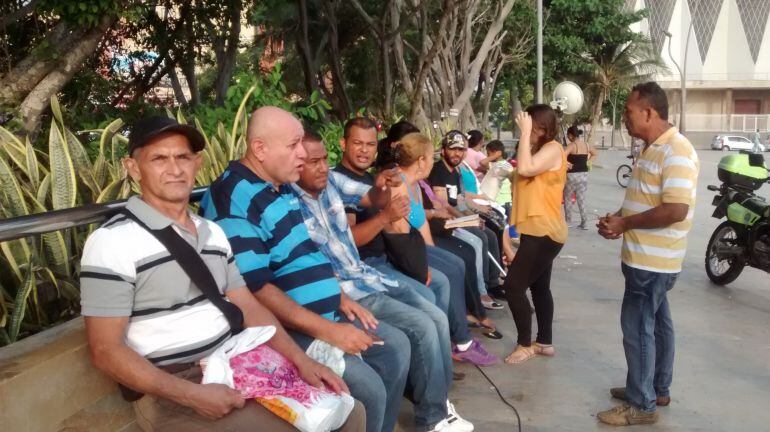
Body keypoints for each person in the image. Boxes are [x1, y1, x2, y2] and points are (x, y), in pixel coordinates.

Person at [79, 116, 364, 431]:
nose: (174, 169)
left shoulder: (212, 233)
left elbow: (249, 305)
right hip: (174, 387)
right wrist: (192, 394)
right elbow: (106, 350)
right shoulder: (112, 241)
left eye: (183, 157)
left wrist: (303, 361)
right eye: (159, 159)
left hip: (237, 362)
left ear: (197, 163)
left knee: (350, 411)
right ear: (133, 167)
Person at [199, 107, 410, 432]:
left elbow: (306, 253)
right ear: (260, 149)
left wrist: (339, 296)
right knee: (366, 387)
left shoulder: (280, 187)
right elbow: (255, 291)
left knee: (395, 347)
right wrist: (328, 331)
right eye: (294, 145)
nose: (303, 153)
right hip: (286, 329)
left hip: (325, 312)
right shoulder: (233, 199)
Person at [294, 131, 475, 432]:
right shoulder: (289, 202)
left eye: (324, 160)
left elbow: (373, 197)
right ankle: (433, 413)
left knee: (434, 310)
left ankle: (437, 401)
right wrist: (383, 216)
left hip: (365, 276)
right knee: (420, 326)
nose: (322, 167)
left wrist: (382, 186)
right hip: (349, 287)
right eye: (313, 161)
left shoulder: (333, 183)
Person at [334, 118, 498, 366]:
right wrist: (385, 219)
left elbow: (408, 220)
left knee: (453, 266)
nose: (365, 150)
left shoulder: (376, 178)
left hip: (386, 258)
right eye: (358, 143)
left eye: (370, 144)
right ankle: (448, 350)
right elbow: (353, 238)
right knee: (437, 286)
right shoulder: (338, 182)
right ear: (343, 143)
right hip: (369, 266)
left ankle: (446, 352)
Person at [596, 82, 698, 426]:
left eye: (628, 111)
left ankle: (642, 404)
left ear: (649, 112)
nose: (624, 118)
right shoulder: (651, 148)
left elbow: (675, 210)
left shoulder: (676, 151)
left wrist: (625, 224)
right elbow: (647, 200)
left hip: (654, 262)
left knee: (638, 328)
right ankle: (655, 386)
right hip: (645, 259)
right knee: (657, 325)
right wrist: (618, 219)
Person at [501, 105, 567, 365]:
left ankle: (524, 344)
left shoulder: (552, 149)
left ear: (546, 128)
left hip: (544, 230)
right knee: (540, 287)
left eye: (534, 126)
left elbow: (526, 170)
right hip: (536, 229)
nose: (528, 130)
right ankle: (544, 342)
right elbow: (525, 173)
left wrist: (526, 134)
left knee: (513, 286)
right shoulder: (535, 150)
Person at [428, 130, 505, 298]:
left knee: (491, 234)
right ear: (443, 150)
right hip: (446, 221)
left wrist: (473, 216)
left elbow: (461, 200)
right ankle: (481, 290)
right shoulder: (438, 171)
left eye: (461, 150)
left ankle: (493, 282)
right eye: (453, 149)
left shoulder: (456, 172)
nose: (457, 153)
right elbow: (444, 204)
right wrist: (467, 219)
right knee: (480, 238)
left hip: (459, 215)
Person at [563, 126, 597, 230]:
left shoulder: (572, 146)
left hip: (571, 176)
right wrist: (589, 162)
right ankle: (584, 223)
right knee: (581, 199)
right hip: (583, 175)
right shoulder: (586, 145)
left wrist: (567, 163)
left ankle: (568, 221)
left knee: (568, 198)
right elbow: (595, 153)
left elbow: (562, 156)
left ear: (570, 135)